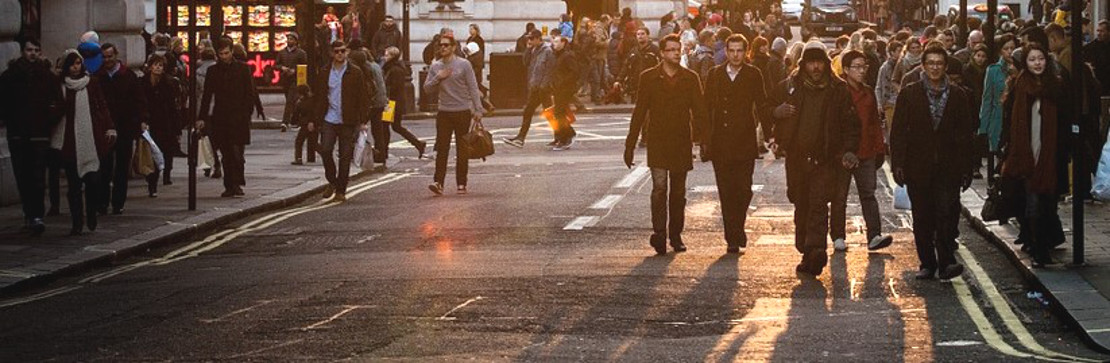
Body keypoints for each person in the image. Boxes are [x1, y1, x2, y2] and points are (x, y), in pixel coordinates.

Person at [769, 41, 861, 276]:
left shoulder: (838, 90)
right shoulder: (790, 87)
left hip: (825, 159)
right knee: (801, 203)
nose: (816, 67)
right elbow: (766, 108)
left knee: (819, 205)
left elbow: (851, 124)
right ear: (803, 65)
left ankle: (816, 249)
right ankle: (805, 249)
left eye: (819, 62)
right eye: (811, 62)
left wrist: (850, 150)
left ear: (826, 64)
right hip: (797, 158)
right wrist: (775, 113)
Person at [891, 45, 976, 280]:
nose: (935, 67)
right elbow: (898, 132)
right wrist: (898, 163)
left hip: (949, 167)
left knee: (947, 214)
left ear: (945, 67)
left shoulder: (958, 95)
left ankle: (947, 261)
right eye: (931, 63)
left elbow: (966, 134)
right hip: (918, 166)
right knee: (923, 217)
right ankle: (927, 263)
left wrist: (967, 168)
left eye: (939, 63)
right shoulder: (909, 93)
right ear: (923, 66)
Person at [624, 34, 709, 255]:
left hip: (681, 140)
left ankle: (676, 235)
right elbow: (640, 111)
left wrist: (705, 142)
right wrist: (630, 144)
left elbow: (700, 111)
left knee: (678, 193)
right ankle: (660, 234)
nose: (674, 53)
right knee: (659, 188)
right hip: (658, 140)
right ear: (662, 53)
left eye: (677, 49)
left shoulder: (690, 78)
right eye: (670, 50)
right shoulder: (649, 77)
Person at [1000, 43, 1070, 267]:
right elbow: (1010, 121)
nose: (1037, 63)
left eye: (1040, 58)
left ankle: (1042, 244)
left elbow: (1065, 121)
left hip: (1051, 156)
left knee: (1048, 204)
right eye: (1032, 59)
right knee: (1032, 204)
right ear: (1026, 63)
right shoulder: (1019, 85)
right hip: (1026, 155)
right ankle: (1038, 250)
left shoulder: (1056, 86)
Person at [702, 34, 772, 253]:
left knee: (743, 189)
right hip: (720, 141)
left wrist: (770, 135)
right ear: (726, 52)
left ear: (746, 51)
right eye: (731, 50)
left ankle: (738, 227)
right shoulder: (715, 75)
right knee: (726, 190)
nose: (735, 55)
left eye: (739, 50)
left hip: (744, 140)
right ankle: (732, 236)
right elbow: (705, 108)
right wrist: (703, 139)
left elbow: (762, 104)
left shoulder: (753, 74)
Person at [830, 50, 895, 252]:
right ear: (846, 69)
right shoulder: (838, 92)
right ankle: (838, 236)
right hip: (844, 155)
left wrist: (879, 149)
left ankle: (874, 235)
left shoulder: (867, 92)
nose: (861, 71)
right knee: (839, 197)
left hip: (866, 152)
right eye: (857, 67)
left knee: (868, 194)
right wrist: (839, 152)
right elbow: (833, 125)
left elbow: (875, 123)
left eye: (863, 66)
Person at [0, 38, 62, 235]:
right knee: (22, 176)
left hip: (39, 134)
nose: (32, 53)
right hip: (17, 134)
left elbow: (59, 104)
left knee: (37, 177)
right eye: (29, 50)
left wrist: (47, 121)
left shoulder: (48, 77)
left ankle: (37, 215)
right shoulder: (10, 76)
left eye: (36, 50)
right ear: (23, 52)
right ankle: (29, 213)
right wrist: (9, 121)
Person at [54, 51, 116, 235]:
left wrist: (109, 126)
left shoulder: (91, 83)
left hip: (90, 138)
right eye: (72, 64)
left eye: (78, 63)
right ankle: (76, 222)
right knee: (73, 186)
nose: (76, 67)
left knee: (92, 182)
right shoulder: (61, 86)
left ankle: (91, 213)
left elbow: (101, 106)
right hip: (69, 140)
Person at [308, 40, 370, 203]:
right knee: (326, 150)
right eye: (337, 51)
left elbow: (363, 97)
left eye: (343, 51)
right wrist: (313, 119)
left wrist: (363, 120)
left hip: (347, 120)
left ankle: (341, 190)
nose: (340, 54)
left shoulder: (355, 72)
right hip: (329, 118)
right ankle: (333, 181)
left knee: (345, 156)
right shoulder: (324, 72)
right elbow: (318, 97)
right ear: (331, 53)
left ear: (347, 52)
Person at [424, 34, 484, 196]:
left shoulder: (464, 65)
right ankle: (438, 182)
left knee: (462, 150)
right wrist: (438, 77)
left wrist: (478, 110)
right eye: (440, 45)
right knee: (442, 149)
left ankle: (461, 183)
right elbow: (427, 88)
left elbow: (473, 87)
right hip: (444, 112)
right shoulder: (436, 66)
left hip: (462, 112)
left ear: (453, 47)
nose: (442, 48)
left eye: (446, 45)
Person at [198, 39, 259, 198]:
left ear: (232, 51)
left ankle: (238, 183)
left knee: (237, 153)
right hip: (221, 117)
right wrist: (202, 117)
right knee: (226, 154)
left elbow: (250, 93)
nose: (224, 56)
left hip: (239, 117)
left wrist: (247, 112)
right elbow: (207, 96)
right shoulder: (213, 71)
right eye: (221, 54)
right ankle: (229, 186)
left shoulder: (243, 69)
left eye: (226, 53)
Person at [93, 43, 146, 215]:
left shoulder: (128, 75)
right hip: (105, 129)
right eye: (104, 57)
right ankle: (102, 202)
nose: (107, 60)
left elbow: (139, 101)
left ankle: (118, 202)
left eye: (110, 56)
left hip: (125, 128)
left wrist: (139, 121)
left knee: (122, 168)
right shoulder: (98, 77)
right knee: (104, 167)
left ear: (116, 55)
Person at [503, 29, 554, 148]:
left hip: (543, 88)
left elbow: (550, 71)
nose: (529, 41)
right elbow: (525, 62)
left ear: (538, 39)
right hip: (535, 87)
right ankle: (521, 138)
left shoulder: (547, 51)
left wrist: (544, 85)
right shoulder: (533, 50)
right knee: (531, 112)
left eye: (531, 39)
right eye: (528, 39)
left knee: (548, 113)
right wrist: (528, 49)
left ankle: (561, 135)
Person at [140, 54, 182, 197]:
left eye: (161, 65)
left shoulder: (169, 83)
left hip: (166, 123)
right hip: (150, 123)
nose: (158, 67)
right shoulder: (143, 82)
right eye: (156, 65)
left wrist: (177, 128)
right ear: (150, 66)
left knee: (165, 151)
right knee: (152, 153)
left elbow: (174, 107)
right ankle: (152, 183)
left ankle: (165, 174)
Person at [382, 46, 427, 158]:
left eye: (387, 55)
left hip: (392, 103)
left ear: (392, 56)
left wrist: (386, 98)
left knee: (386, 127)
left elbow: (393, 88)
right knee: (395, 127)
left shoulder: (394, 69)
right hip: (394, 102)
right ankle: (418, 144)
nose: (384, 57)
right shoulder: (393, 68)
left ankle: (384, 152)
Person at [349, 46, 390, 168]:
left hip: (372, 103)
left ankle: (356, 153)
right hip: (380, 101)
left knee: (357, 128)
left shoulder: (366, 68)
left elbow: (370, 87)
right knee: (378, 130)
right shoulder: (376, 66)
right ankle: (381, 154)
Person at [980, 35, 1018, 162]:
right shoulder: (993, 70)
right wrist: (983, 128)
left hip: (1016, 117)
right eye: (1006, 48)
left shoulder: (1022, 69)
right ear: (1000, 51)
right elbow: (987, 100)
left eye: (1012, 48)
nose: (1009, 51)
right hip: (998, 117)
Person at [550, 36, 580, 150]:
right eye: (553, 42)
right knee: (558, 113)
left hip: (565, 89)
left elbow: (574, 72)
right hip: (558, 88)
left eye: (557, 42)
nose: (554, 44)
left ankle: (566, 137)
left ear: (563, 43)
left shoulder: (568, 55)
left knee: (559, 113)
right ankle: (565, 135)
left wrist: (562, 83)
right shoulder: (558, 55)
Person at [617, 27, 661, 103]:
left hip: (651, 85)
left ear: (648, 36)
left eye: (642, 34)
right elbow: (626, 66)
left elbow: (661, 66)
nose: (640, 36)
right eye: (638, 34)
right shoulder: (633, 51)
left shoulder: (655, 50)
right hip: (635, 86)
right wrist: (619, 80)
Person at [277, 32, 307, 131]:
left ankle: (285, 122)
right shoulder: (281, 52)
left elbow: (305, 66)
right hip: (285, 79)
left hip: (296, 79)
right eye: (288, 39)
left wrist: (295, 70)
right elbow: (275, 65)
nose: (289, 41)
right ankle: (297, 120)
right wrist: (282, 68)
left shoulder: (301, 53)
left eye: (291, 39)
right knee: (291, 101)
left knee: (290, 100)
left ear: (296, 41)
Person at [876, 41, 903, 130]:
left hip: (901, 102)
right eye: (899, 51)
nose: (901, 53)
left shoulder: (904, 65)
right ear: (892, 53)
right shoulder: (885, 67)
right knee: (891, 130)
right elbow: (879, 87)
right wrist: (879, 104)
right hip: (889, 103)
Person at [290, 85, 317, 165]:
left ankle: (298, 158)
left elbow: (296, 114)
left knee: (299, 141)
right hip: (314, 124)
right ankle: (319, 156)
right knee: (314, 143)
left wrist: (293, 122)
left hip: (305, 124)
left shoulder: (301, 102)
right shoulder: (313, 100)